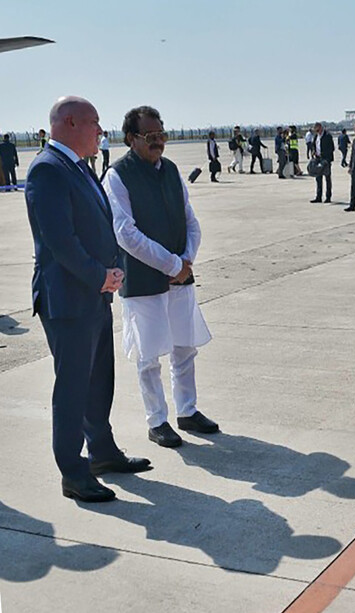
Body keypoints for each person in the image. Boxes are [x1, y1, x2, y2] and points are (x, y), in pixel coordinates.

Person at [24, 96, 152, 503]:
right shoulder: (47, 170)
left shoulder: (77, 167)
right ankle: (73, 472)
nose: (102, 130)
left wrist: (111, 271)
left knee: (98, 381)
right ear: (71, 122)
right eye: (95, 123)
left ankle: (102, 452)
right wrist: (101, 276)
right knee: (73, 387)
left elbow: (99, 226)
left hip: (94, 295)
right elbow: (60, 241)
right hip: (69, 300)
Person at [104, 105, 218, 449]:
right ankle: (157, 420)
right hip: (143, 280)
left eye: (161, 135)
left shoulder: (170, 170)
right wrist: (171, 265)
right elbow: (125, 233)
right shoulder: (117, 175)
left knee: (185, 348)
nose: (158, 143)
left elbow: (190, 220)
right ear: (131, 139)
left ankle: (187, 411)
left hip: (180, 276)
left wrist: (186, 260)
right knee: (148, 355)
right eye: (151, 137)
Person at [311, 122, 334, 203]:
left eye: (317, 130)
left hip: (326, 160)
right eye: (315, 131)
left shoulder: (327, 136)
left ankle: (328, 197)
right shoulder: (316, 136)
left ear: (320, 128)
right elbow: (314, 146)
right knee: (318, 178)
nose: (317, 132)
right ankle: (318, 196)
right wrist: (314, 152)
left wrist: (325, 157)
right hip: (318, 159)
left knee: (327, 178)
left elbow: (332, 148)